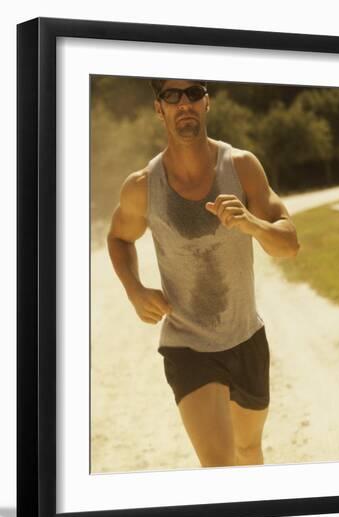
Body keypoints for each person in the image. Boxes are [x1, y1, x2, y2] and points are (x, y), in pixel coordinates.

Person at [107, 79, 300, 468]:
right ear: (159, 108)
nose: (185, 104)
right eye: (172, 96)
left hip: (245, 337)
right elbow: (118, 237)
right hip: (187, 344)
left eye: (194, 93)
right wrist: (133, 288)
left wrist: (253, 225)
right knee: (219, 465)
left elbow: (289, 244)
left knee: (248, 452)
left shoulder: (242, 167)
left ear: (207, 102)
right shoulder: (143, 186)